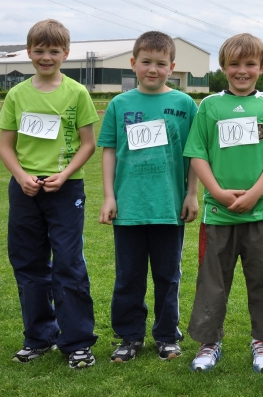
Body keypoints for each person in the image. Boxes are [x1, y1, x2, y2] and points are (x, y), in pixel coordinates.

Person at [186, 33, 263, 373]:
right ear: (223, 67)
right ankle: (209, 343)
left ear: (261, 68)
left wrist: (255, 193)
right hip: (218, 216)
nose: (242, 71)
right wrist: (217, 192)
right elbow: (197, 153)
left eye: (250, 64)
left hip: (261, 214)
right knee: (212, 281)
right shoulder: (210, 107)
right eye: (235, 64)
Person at [0, 18, 98, 368]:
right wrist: (22, 176)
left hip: (66, 188)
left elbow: (88, 144)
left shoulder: (77, 93)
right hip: (24, 189)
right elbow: (6, 147)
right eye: (39, 51)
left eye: (54, 51)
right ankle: (39, 337)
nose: (46, 57)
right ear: (29, 52)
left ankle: (78, 342)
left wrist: (64, 174)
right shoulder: (17, 94)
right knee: (29, 263)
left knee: (69, 264)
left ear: (66, 53)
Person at [97, 31, 199, 363]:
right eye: (145, 62)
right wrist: (109, 197)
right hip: (129, 206)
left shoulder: (185, 105)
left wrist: (192, 194)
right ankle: (129, 336)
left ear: (172, 66)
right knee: (129, 276)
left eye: (160, 64)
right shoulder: (119, 104)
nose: (152, 69)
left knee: (168, 276)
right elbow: (109, 152)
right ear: (133, 64)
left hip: (169, 207)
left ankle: (167, 336)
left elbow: (195, 154)